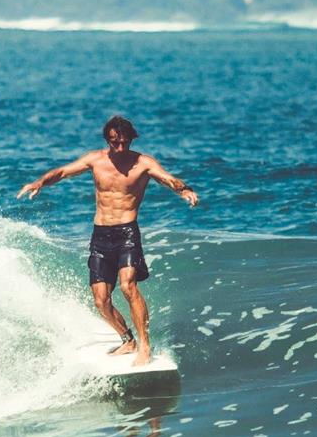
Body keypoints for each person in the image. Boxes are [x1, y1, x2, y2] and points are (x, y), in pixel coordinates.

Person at [17, 115, 199, 365]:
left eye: (125, 142)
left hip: (127, 232)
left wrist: (184, 189)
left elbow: (166, 178)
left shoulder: (143, 163)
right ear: (108, 140)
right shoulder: (96, 160)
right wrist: (40, 182)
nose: (121, 148)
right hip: (100, 234)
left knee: (128, 286)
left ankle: (145, 346)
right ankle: (128, 340)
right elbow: (63, 171)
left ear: (131, 139)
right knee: (101, 300)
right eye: (115, 143)